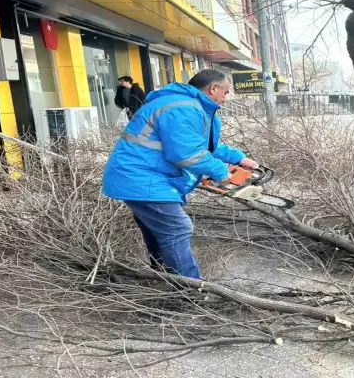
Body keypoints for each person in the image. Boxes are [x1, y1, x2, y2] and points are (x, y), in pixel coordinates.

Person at [102, 69, 259, 279]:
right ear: (213, 88)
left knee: (157, 227)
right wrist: (222, 172)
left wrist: (238, 159)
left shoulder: (193, 107)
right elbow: (186, 153)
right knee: (177, 228)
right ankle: (190, 289)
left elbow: (205, 145)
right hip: (141, 176)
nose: (226, 97)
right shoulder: (183, 108)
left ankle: (163, 274)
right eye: (226, 91)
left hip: (144, 175)